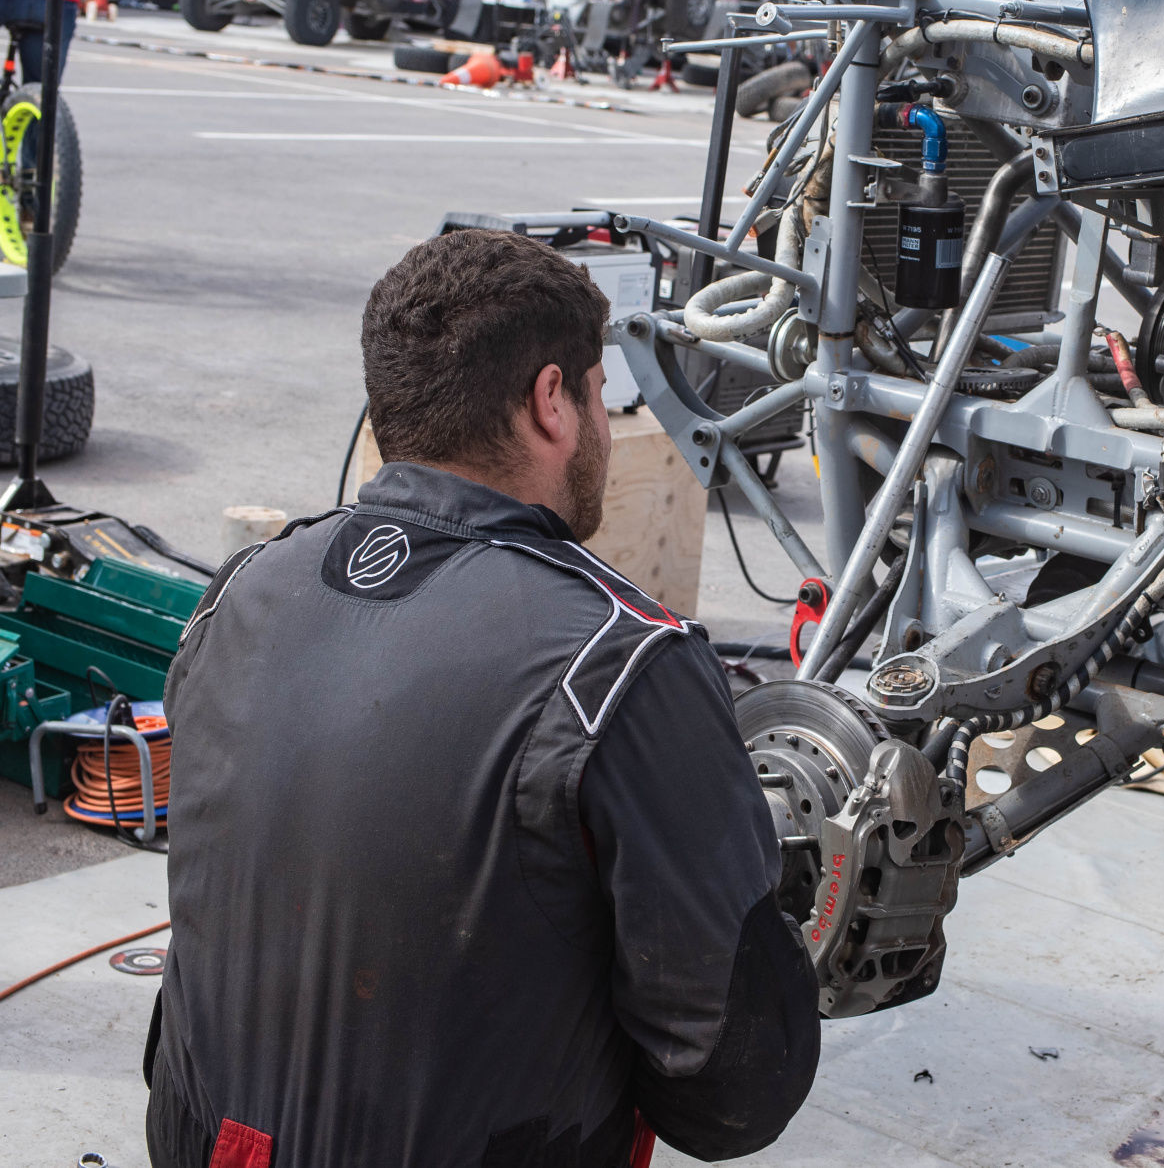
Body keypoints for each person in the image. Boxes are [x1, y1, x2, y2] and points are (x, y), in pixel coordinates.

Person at [145, 228, 821, 1167]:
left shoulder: (241, 592)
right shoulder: (622, 663)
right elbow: (731, 1092)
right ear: (551, 401)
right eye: (598, 391)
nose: (601, 421)